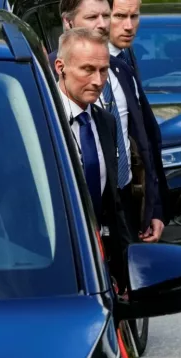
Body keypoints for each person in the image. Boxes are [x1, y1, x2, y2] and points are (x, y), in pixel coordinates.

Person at [54, 27, 134, 290]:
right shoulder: (43, 121)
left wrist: (126, 274)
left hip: (97, 262)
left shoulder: (105, 122)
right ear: (60, 67)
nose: (99, 80)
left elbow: (112, 201)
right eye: (87, 69)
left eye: (103, 70)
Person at [106, 0, 165, 243]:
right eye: (119, 16)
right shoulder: (75, 69)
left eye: (134, 16)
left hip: (130, 198)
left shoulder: (125, 57)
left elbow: (144, 140)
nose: (128, 26)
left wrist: (154, 208)